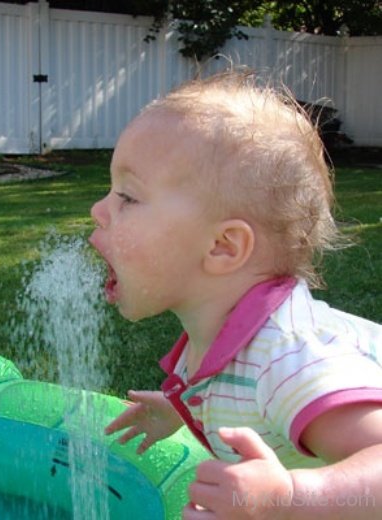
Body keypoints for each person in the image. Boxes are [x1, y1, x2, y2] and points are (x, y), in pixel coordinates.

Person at [89, 70, 382, 519]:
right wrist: (179, 408)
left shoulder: (286, 361)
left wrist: (289, 500)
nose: (98, 210)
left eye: (128, 197)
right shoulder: (220, 337)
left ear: (223, 247)